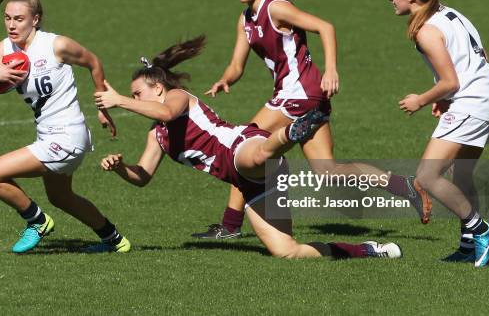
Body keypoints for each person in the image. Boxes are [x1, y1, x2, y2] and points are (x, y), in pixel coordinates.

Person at [94, 35, 402, 260]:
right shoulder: (156, 136)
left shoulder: (177, 98)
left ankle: (293, 130)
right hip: (249, 182)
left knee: (253, 157)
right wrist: (121, 168)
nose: (134, 100)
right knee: (287, 251)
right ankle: (369, 250)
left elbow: (164, 112)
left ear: (158, 88)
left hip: (242, 146)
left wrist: (119, 100)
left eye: (137, 94)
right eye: (131, 96)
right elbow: (143, 176)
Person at [195, 0, 431, 239]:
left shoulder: (276, 9)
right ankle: (403, 186)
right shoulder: (245, 19)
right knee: (328, 171)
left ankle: (230, 225)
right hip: (304, 96)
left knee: (245, 145)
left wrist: (331, 70)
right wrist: (225, 79)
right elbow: (236, 65)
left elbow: (325, 27)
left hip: (300, 94)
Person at [0, 0, 129, 254]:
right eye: (7, 18)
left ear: (35, 20)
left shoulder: (55, 45)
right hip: (48, 137)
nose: (11, 25)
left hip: (68, 136)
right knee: (62, 197)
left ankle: (37, 221)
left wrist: (102, 107)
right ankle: (116, 240)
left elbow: (93, 62)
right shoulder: (4, 49)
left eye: (18, 19)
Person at [388, 0, 489, 267]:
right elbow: (482, 56)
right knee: (461, 175)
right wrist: (445, 98)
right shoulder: (450, 13)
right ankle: (469, 247)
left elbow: (451, 81)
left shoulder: (426, 30)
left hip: (472, 102)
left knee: (426, 176)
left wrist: (423, 100)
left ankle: (480, 229)